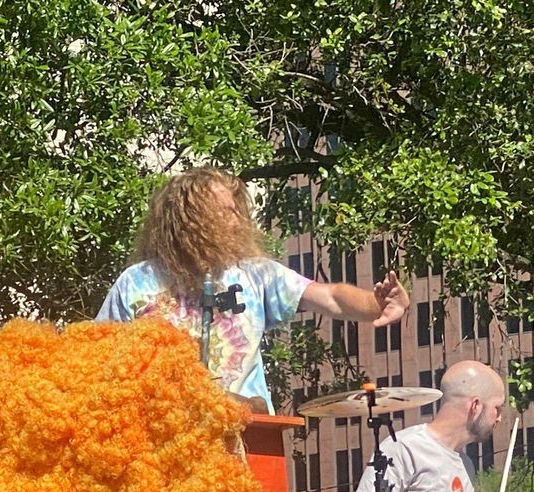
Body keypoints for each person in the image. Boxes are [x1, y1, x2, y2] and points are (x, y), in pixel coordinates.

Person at [94, 167, 407, 410]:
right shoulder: (136, 282)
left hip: (249, 433)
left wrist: (376, 304)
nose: (237, 222)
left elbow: (332, 297)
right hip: (161, 440)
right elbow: (96, 355)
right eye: (226, 211)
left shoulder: (255, 274)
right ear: (190, 218)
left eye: (236, 211)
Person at [352, 361, 513, 492]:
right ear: (475, 406)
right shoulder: (403, 447)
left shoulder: (465, 463)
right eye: (497, 408)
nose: (499, 418)